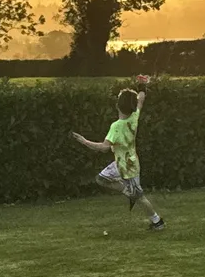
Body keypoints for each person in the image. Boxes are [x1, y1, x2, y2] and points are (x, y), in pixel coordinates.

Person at [70, 77, 166, 231]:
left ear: (118, 105)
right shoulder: (134, 117)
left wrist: (84, 141)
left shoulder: (117, 126)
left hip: (127, 167)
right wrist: (142, 85)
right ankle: (129, 193)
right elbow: (141, 99)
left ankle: (157, 221)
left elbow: (104, 147)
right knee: (101, 179)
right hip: (125, 162)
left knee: (140, 197)